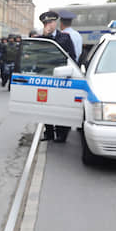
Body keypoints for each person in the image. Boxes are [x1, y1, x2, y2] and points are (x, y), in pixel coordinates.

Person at [39, 11, 76, 143]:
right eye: (46, 23)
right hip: (46, 76)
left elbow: (72, 57)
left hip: (61, 77)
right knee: (45, 106)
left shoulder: (65, 38)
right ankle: (49, 132)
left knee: (60, 105)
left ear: (56, 23)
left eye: (51, 22)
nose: (48, 25)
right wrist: (45, 36)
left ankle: (61, 133)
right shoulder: (41, 38)